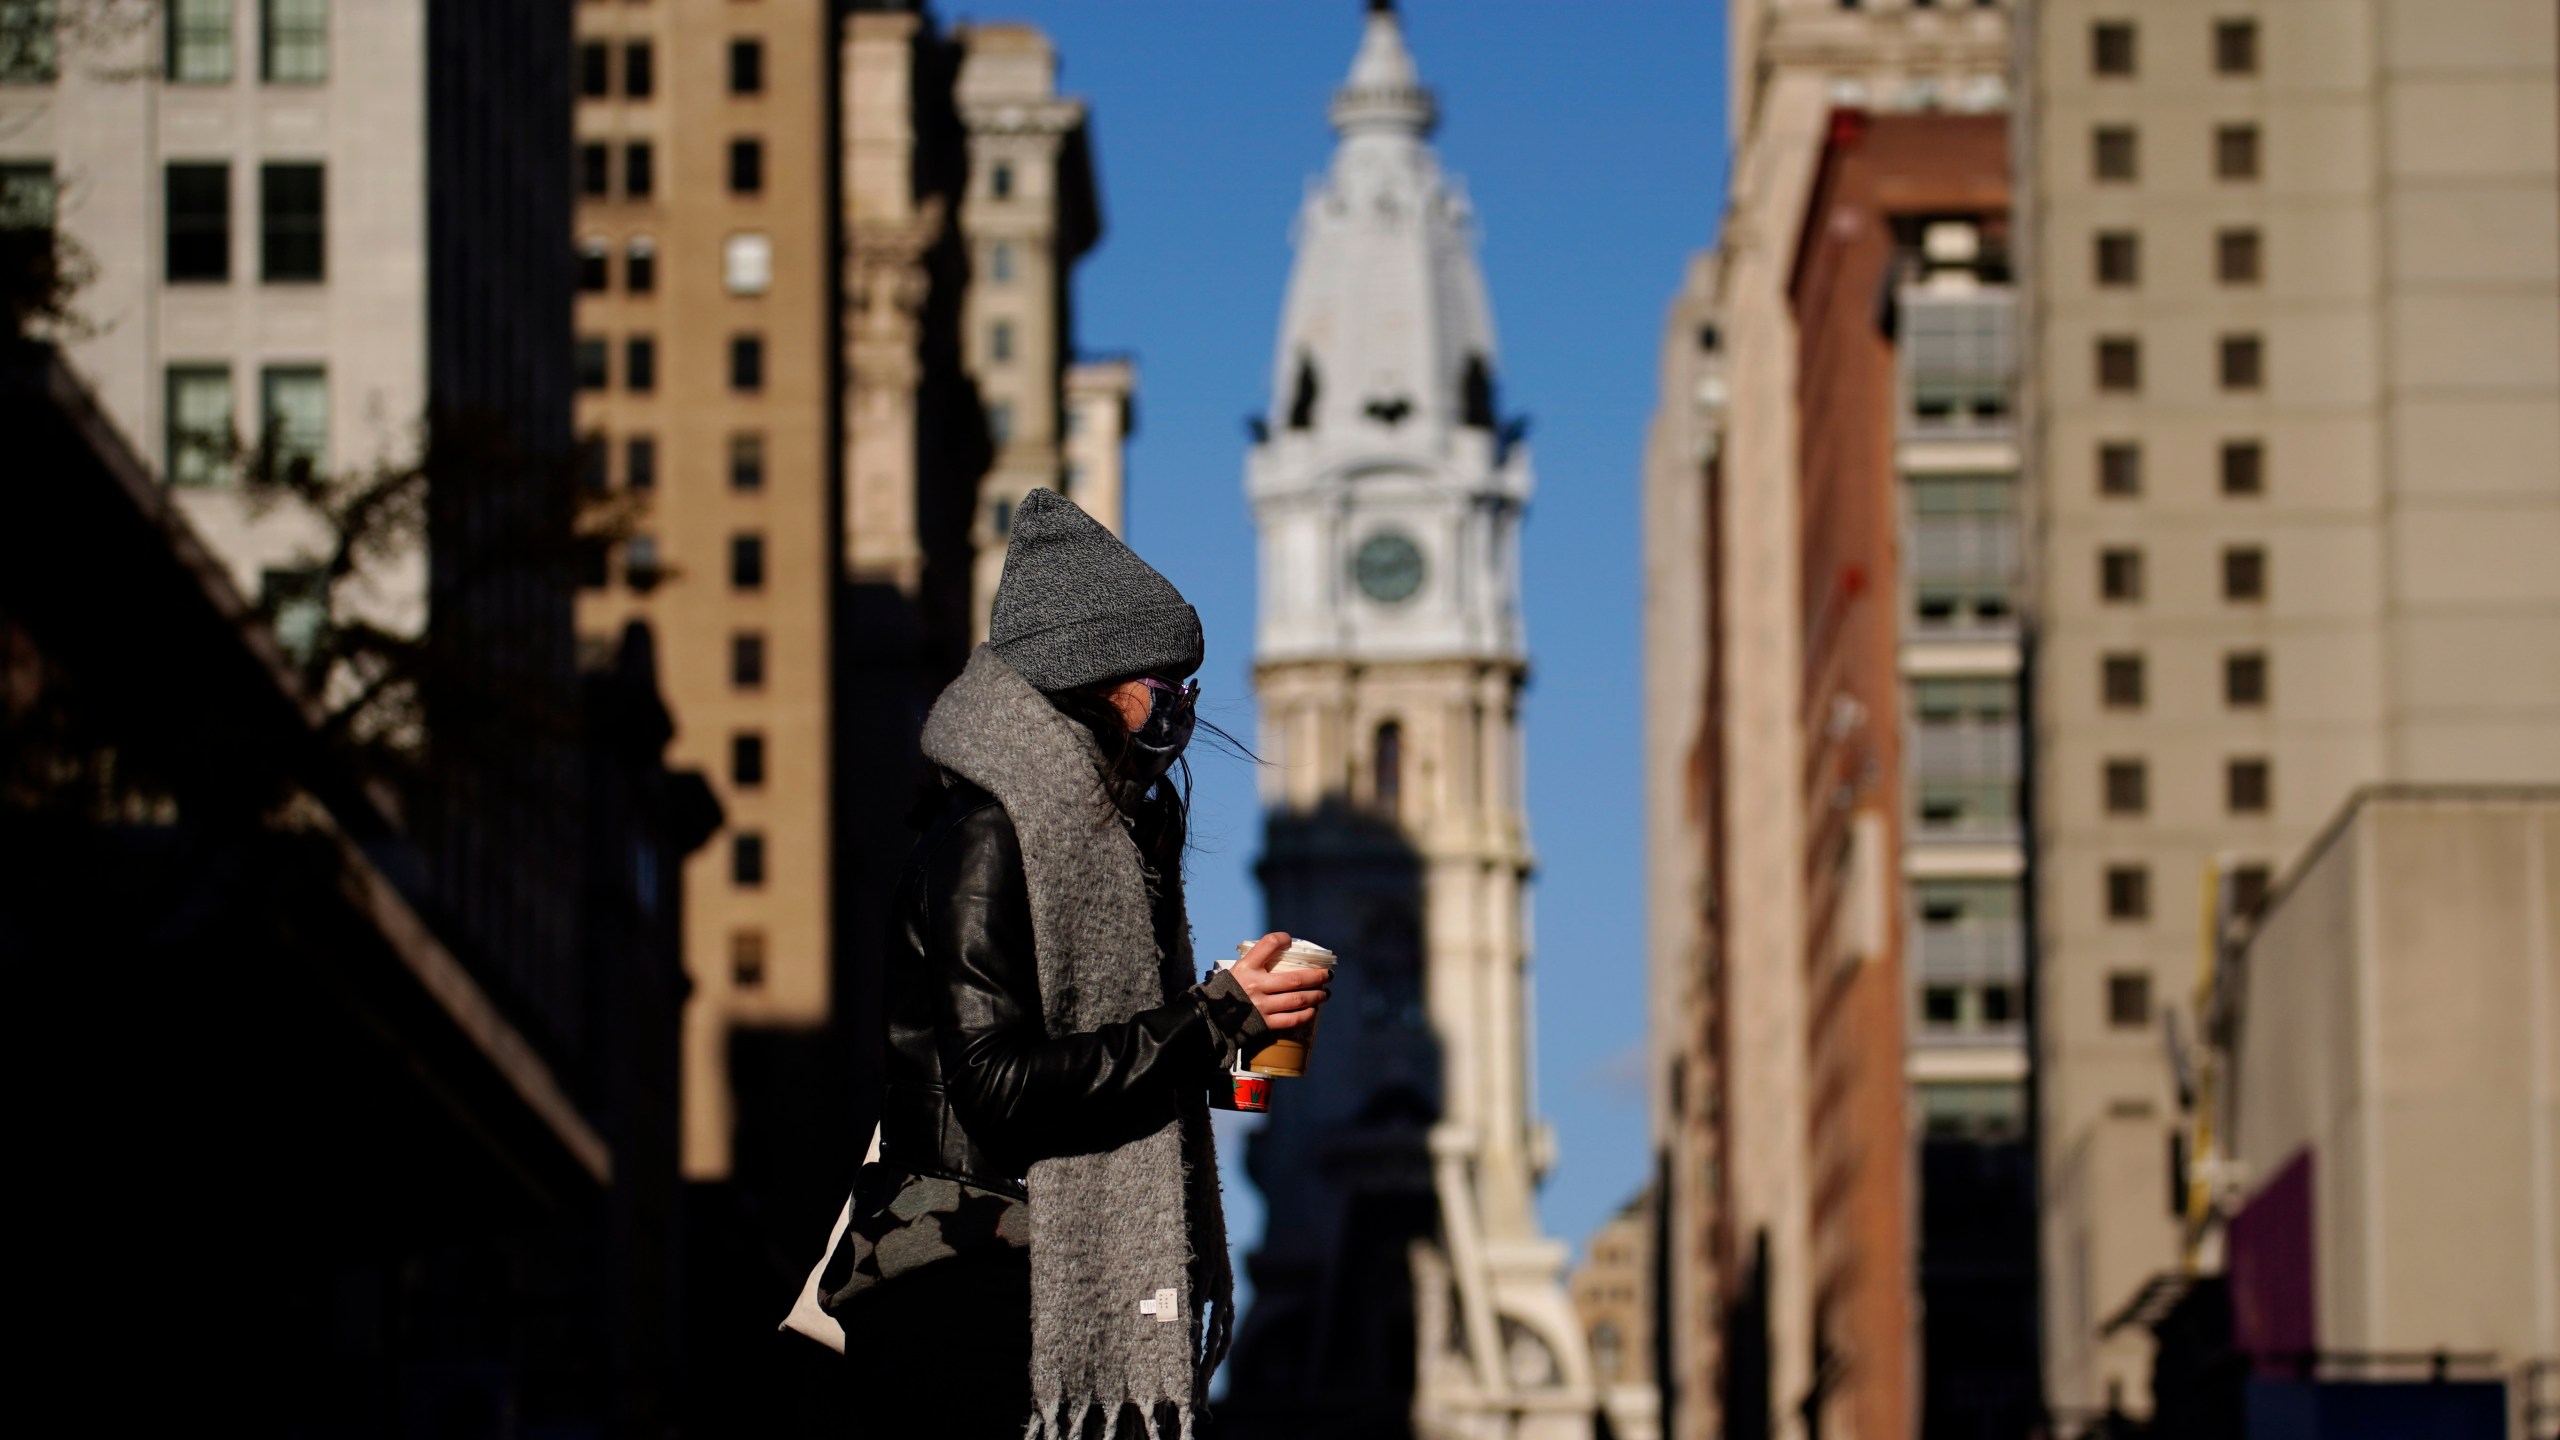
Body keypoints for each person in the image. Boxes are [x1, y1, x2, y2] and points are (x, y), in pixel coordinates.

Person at [821, 488, 1329, 1437]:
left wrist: (1230, 1046)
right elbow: (998, 1084)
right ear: (1093, 675)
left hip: (1030, 1274)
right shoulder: (989, 834)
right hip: (968, 1284)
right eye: (1165, 680)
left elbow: (1085, 1055)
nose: (1183, 706)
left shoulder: (1100, 839)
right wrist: (1214, 1017)